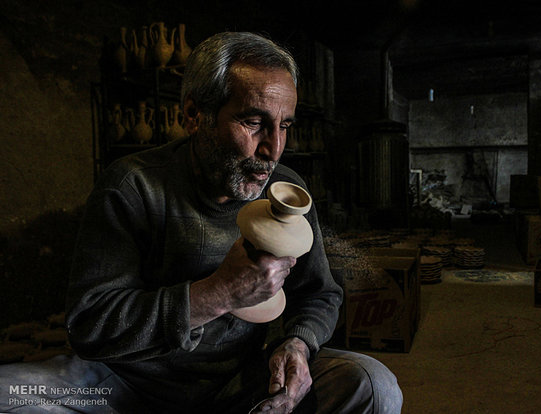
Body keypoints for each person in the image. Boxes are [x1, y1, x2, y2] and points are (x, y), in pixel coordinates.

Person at [0, 31, 403, 413]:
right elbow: (90, 324)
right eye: (252, 122)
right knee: (9, 393)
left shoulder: (286, 190)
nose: (273, 149)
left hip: (244, 380)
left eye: (285, 126)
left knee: (372, 384)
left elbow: (320, 294)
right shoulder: (132, 185)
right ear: (194, 115)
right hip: (128, 385)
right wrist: (219, 293)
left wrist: (297, 344)